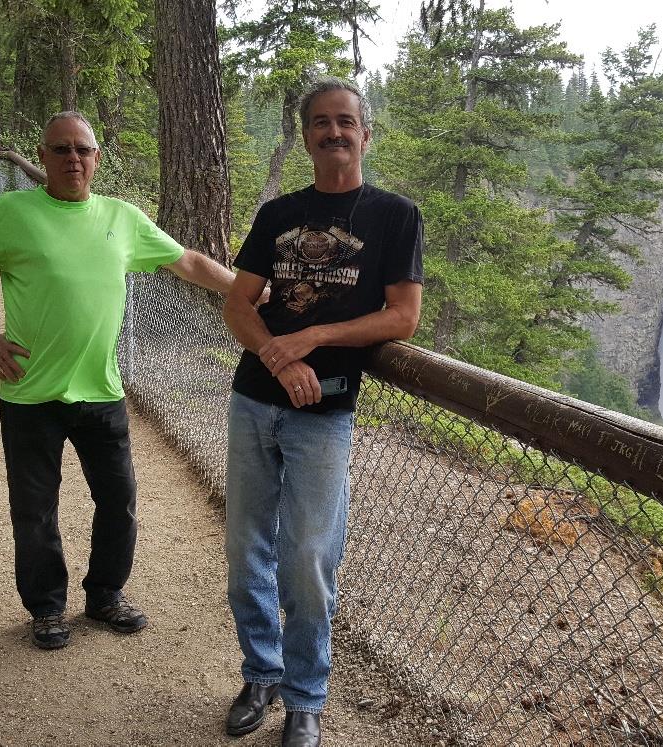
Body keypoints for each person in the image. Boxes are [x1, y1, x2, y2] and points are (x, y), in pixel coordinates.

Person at [0, 111, 237, 650]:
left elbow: (188, 261)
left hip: (102, 391)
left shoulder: (121, 217)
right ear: (43, 159)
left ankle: (104, 597)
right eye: (60, 149)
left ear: (97, 157)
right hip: (30, 392)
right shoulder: (12, 213)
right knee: (35, 509)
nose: (72, 158)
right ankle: (47, 609)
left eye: (82, 149)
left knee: (118, 501)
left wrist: (247, 290)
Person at [220, 78, 424, 747]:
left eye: (346, 121)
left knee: (308, 556)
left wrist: (314, 338)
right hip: (255, 398)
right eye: (320, 122)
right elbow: (239, 303)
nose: (333, 132)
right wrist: (281, 358)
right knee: (246, 543)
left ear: (367, 133)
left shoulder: (395, 216)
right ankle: (261, 672)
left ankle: (306, 697)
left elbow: (404, 315)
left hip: (326, 410)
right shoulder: (279, 214)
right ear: (306, 135)